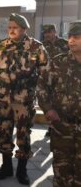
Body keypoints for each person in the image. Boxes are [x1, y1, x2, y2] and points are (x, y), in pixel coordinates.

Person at [0, 13, 49, 185]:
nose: (11, 30)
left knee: (24, 133)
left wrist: (30, 85)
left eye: (15, 28)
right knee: (3, 131)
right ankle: (6, 166)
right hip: (3, 99)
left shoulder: (36, 47)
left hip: (24, 100)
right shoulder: (0, 48)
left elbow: (45, 71)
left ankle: (22, 170)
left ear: (24, 29)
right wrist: (5, 83)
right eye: (9, 27)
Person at [37, 21, 81, 187]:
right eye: (70, 37)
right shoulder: (57, 63)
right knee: (61, 175)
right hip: (62, 129)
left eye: (77, 37)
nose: (71, 40)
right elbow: (41, 87)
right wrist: (48, 109)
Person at [40, 24, 68, 137]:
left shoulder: (65, 44)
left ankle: (60, 125)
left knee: (60, 102)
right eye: (45, 32)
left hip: (62, 78)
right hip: (47, 78)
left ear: (54, 32)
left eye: (49, 32)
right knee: (49, 102)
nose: (47, 34)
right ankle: (51, 127)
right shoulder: (42, 45)